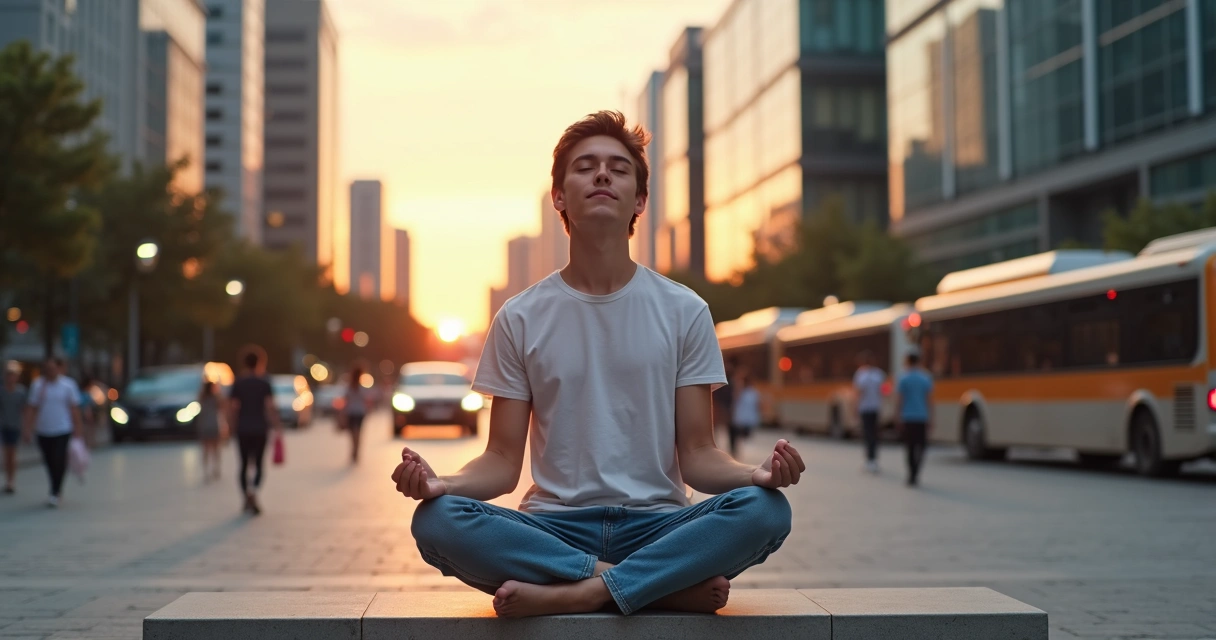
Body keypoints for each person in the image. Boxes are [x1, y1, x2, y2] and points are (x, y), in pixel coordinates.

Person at [392, 111, 805, 619]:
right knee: (437, 522)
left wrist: (756, 473)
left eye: (619, 167)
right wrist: (442, 485)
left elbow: (698, 454)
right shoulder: (520, 317)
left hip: (660, 526)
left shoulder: (685, 311)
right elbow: (501, 462)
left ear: (640, 199)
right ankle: (655, 587)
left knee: (764, 510)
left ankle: (579, 592)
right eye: (586, 167)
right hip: (553, 527)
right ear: (560, 196)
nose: (603, 175)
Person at [22, 357, 83, 507]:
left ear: (58, 368)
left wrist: (78, 429)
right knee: (49, 461)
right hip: (43, 430)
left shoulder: (68, 385)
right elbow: (31, 407)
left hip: (62, 429)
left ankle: (56, 490)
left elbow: (74, 409)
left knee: (59, 459)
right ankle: (54, 486)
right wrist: (27, 428)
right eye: (47, 369)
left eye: (53, 368)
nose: (50, 371)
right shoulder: (38, 386)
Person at [227, 348, 280, 514]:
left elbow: (233, 408)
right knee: (258, 464)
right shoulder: (264, 383)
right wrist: (277, 425)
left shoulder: (238, 383)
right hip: (260, 428)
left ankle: (246, 496)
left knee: (243, 465)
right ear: (260, 362)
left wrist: (230, 427)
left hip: (242, 429)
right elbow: (270, 407)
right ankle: (254, 492)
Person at [895, 352, 934, 487]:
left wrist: (897, 416)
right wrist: (931, 418)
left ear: (907, 362)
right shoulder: (925, 378)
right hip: (922, 417)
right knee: (921, 446)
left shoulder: (903, 378)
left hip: (908, 417)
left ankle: (911, 474)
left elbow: (900, 400)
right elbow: (929, 400)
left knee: (910, 447)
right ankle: (916, 470)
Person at [852, 350, 886, 474]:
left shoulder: (861, 374)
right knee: (875, 434)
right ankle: (874, 459)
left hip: (865, 408)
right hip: (876, 407)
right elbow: (883, 391)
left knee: (867, 434)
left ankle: (869, 460)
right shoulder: (879, 374)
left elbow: (859, 393)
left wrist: (855, 408)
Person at [1, 364, 28, 494]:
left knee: (13, 453)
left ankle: (12, 480)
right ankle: (8, 480)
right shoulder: (2, 391)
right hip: (4, 425)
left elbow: (24, 410)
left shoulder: (20, 392)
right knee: (6, 454)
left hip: (15, 426)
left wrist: (26, 428)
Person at [196, 380, 227, 483]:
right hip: (214, 424)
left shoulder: (202, 398)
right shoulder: (216, 398)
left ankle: (206, 471)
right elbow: (223, 406)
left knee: (206, 450)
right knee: (216, 449)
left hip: (205, 425)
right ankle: (216, 468)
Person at [342, 366, 370, 464]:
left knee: (353, 434)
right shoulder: (361, 388)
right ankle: (356, 452)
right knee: (357, 434)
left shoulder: (350, 387)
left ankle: (354, 452)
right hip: (358, 413)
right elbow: (366, 400)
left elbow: (345, 400)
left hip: (352, 413)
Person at [728, 374, 760, 458]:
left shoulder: (752, 392)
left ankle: (738, 452)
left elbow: (757, 405)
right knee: (739, 438)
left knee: (744, 438)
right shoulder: (741, 392)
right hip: (741, 418)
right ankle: (737, 452)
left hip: (745, 418)